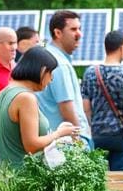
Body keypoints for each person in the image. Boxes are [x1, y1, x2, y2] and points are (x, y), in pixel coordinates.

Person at [0, 46, 78, 166]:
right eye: (51, 73)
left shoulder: (4, 92)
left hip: (8, 175)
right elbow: (31, 145)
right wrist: (59, 133)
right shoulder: (26, 98)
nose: (52, 79)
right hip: (24, 177)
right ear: (43, 71)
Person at [81, 30, 123, 171]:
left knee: (98, 179)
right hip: (121, 135)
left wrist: (92, 126)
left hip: (97, 134)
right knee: (119, 181)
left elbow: (86, 107)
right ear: (121, 48)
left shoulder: (90, 73)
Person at [37, 10, 91, 145]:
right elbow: (66, 107)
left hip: (55, 140)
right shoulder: (59, 64)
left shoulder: (47, 56)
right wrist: (79, 140)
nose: (79, 34)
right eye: (73, 29)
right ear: (58, 33)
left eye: (79, 28)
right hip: (67, 141)